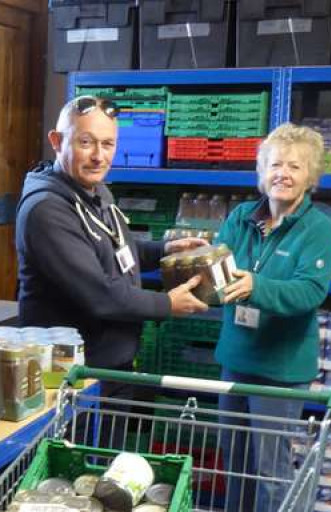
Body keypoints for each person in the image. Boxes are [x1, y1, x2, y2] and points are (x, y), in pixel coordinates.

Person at [15, 95, 208, 396]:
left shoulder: (92, 191)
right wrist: (166, 304)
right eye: (86, 142)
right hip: (75, 377)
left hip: (108, 365)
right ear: (56, 141)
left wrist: (164, 250)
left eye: (108, 144)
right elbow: (99, 294)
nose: (98, 156)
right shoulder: (47, 211)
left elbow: (111, 250)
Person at [214, 123, 331, 512]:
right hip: (236, 357)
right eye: (275, 164)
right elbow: (218, 268)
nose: (283, 173)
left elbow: (310, 291)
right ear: (262, 170)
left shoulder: (317, 229)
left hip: (281, 368)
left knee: (269, 468)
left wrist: (256, 286)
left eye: (295, 166)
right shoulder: (239, 218)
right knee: (236, 463)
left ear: (311, 177)